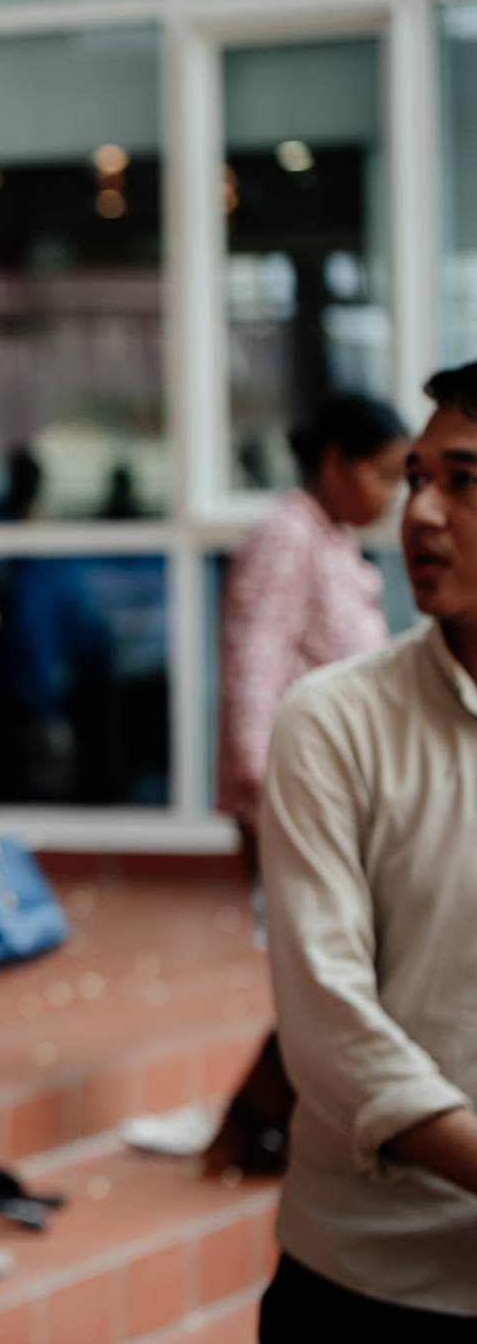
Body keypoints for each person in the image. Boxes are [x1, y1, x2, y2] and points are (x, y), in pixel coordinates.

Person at [256, 361, 477, 1339]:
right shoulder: (333, 722)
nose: (417, 513)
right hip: (371, 1286)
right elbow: (327, 1021)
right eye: (413, 476)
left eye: (459, 481)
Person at [208, 392, 408, 1176]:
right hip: (294, 800)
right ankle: (251, 1119)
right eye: (386, 473)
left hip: (341, 801)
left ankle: (272, 1120)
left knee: (344, 965)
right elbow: (254, 667)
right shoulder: (286, 536)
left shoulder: (332, 540)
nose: (395, 496)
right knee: (330, 968)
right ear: (334, 462)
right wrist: (264, 798)